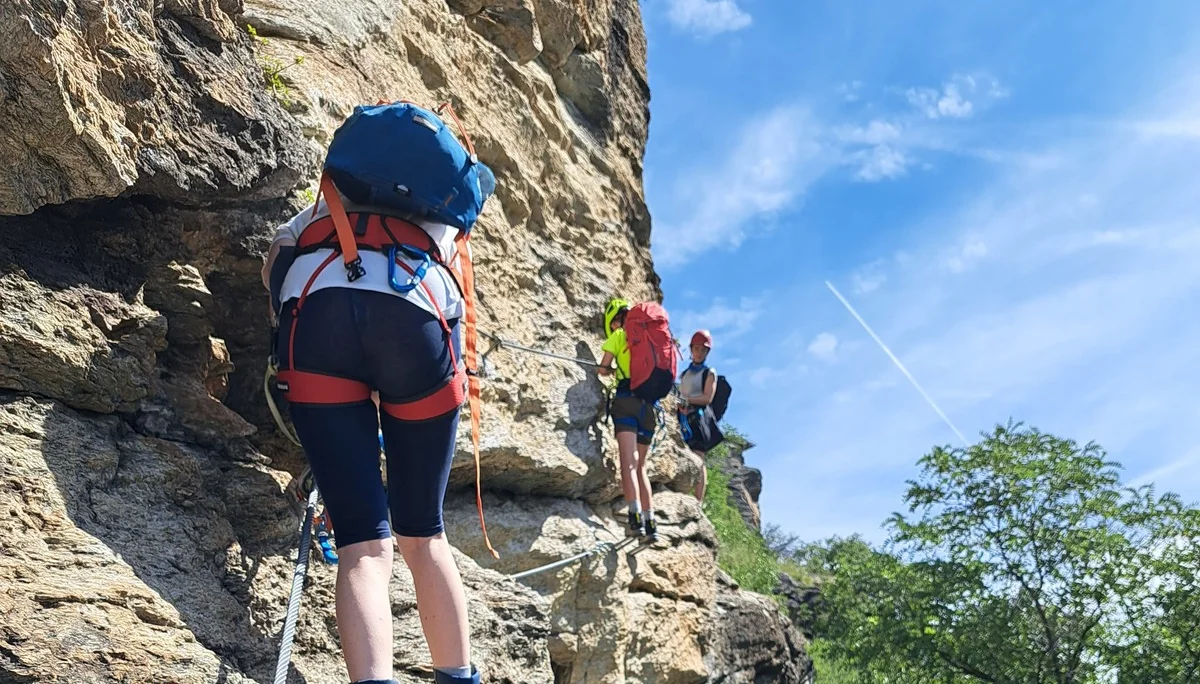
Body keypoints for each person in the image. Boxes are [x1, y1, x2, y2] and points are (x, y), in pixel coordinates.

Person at [263, 187, 480, 684]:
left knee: (363, 543)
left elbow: (277, 255)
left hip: (316, 317)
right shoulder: (440, 211)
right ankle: (458, 677)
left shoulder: (332, 201)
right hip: (416, 315)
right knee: (422, 534)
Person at [597, 298, 659, 542]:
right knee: (641, 466)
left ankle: (635, 520)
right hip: (649, 409)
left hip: (626, 401)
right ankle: (651, 522)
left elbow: (602, 368)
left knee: (628, 464)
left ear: (613, 321)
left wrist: (611, 370)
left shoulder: (619, 334)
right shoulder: (646, 338)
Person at [678, 330, 718, 501]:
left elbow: (707, 398)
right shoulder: (684, 374)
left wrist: (687, 400)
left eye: (703, 349)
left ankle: (698, 501)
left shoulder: (710, 373)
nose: (699, 352)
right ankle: (684, 494)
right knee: (685, 458)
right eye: (697, 348)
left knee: (698, 459)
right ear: (691, 349)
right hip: (682, 419)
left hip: (698, 420)